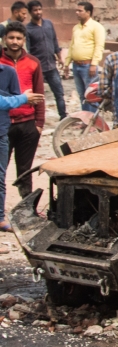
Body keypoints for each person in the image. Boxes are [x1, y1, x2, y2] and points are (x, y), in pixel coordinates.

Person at [1, 22, 45, 198]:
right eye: (11, 37)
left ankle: (28, 209)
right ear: (5, 39)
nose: (14, 41)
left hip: (27, 124)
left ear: (24, 40)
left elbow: (39, 94)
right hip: (4, 125)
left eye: (18, 38)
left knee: (25, 171)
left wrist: (39, 123)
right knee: (1, 170)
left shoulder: (33, 62)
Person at [0, 63, 44, 231]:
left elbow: (9, 101)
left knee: (0, 178)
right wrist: (24, 98)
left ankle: (0, 218)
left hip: (2, 132)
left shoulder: (8, 72)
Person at [25, 0, 67, 119]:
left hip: (51, 66)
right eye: (35, 10)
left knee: (59, 93)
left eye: (39, 9)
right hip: (38, 68)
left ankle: (63, 116)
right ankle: (37, 117)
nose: (38, 12)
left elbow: (54, 41)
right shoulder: (28, 29)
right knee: (38, 95)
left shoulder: (48, 24)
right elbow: (28, 49)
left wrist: (60, 58)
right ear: (30, 12)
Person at [68, 1, 106, 113]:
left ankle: (93, 121)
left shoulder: (96, 27)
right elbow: (72, 46)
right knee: (82, 94)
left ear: (88, 12)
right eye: (77, 10)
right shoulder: (76, 28)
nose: (77, 13)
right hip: (76, 65)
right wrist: (66, 64)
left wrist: (94, 64)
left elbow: (99, 46)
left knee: (91, 95)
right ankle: (85, 120)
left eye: (80, 11)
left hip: (88, 66)